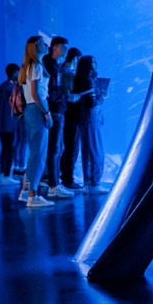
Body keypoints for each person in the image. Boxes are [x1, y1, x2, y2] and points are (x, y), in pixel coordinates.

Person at [18, 36, 53, 208]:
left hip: (30, 110)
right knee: (38, 154)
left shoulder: (27, 66)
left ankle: (26, 192)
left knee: (34, 153)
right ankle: (33, 195)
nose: (47, 46)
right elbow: (36, 93)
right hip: (38, 109)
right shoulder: (37, 66)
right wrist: (46, 112)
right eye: (43, 44)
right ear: (37, 47)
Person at [42, 36, 74, 199]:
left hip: (58, 109)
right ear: (55, 47)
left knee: (58, 148)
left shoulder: (55, 65)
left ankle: (54, 182)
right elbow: (50, 91)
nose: (66, 50)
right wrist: (65, 96)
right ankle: (53, 185)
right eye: (64, 47)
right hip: (54, 110)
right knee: (54, 149)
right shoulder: (50, 65)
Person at [74, 55, 109, 194]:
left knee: (87, 150)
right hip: (91, 117)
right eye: (93, 62)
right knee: (96, 150)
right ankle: (95, 183)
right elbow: (93, 103)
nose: (95, 64)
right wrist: (102, 97)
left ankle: (87, 183)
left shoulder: (79, 79)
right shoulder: (89, 81)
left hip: (83, 118)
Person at [59, 47, 84, 190]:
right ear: (75, 59)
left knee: (68, 147)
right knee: (72, 147)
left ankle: (64, 176)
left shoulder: (61, 71)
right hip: (71, 114)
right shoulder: (68, 73)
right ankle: (68, 178)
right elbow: (67, 93)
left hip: (66, 114)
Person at [0, 63, 21, 184]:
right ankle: (7, 175)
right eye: (18, 72)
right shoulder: (11, 88)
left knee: (5, 148)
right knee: (9, 148)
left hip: (1, 122)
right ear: (14, 72)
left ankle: (2, 173)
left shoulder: (1, 87)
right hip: (9, 123)